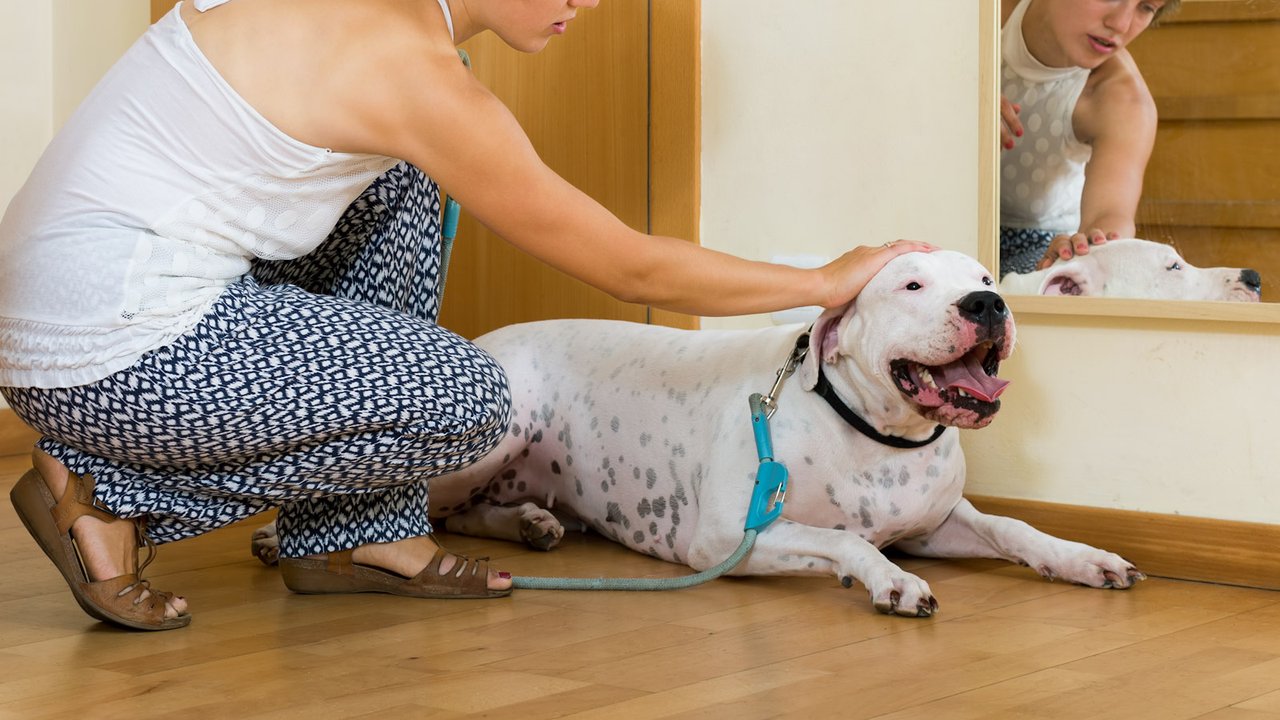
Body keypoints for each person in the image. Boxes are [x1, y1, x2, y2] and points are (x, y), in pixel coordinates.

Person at [0, 0, 934, 631]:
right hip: (110, 350)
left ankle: (356, 531)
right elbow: (625, 264)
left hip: (72, 316)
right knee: (468, 401)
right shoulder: (410, 72)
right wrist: (821, 281)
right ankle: (102, 490)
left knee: (402, 180)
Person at [998, 0, 1179, 277]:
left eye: (1146, 7)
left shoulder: (1123, 101)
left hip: (1037, 247)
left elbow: (1110, 218)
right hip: (940, 205)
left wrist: (1088, 249)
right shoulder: (980, 13)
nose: (1120, 24)